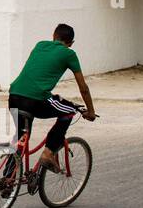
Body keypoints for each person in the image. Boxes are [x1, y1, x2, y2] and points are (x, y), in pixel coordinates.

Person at [8, 23, 97, 174]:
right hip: (36, 99)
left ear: (53, 36)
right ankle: (48, 153)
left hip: (14, 95)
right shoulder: (69, 54)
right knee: (68, 111)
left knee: (21, 136)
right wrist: (91, 111)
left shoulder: (40, 45)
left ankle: (7, 179)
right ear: (71, 43)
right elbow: (83, 88)